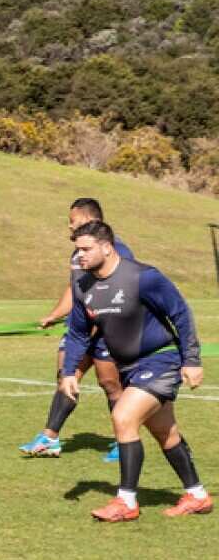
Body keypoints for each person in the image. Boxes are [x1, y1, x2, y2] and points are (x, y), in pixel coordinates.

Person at [61, 221, 209, 521]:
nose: (80, 256)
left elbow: (180, 313)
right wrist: (68, 372)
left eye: (86, 249)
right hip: (128, 367)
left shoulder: (142, 277)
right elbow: (77, 333)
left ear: (107, 247)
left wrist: (191, 360)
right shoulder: (82, 286)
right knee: (165, 433)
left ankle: (126, 501)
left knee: (123, 417)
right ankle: (198, 495)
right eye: (77, 250)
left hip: (160, 359)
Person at [19, 198, 134, 462]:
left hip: (107, 330)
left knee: (110, 384)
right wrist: (54, 315)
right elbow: (75, 289)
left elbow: (124, 292)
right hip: (80, 330)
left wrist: (103, 322)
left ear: (89, 219)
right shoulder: (77, 255)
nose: (69, 226)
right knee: (66, 377)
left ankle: (122, 440)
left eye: (72, 221)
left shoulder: (117, 251)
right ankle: (50, 437)